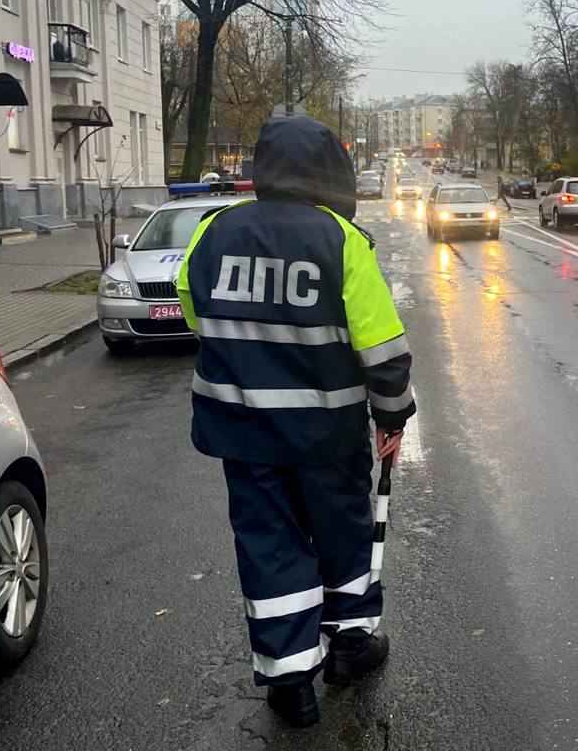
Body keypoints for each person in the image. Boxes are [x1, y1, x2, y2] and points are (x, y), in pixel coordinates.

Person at [177, 117, 416, 728]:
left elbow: (195, 315)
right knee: (343, 531)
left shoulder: (212, 233)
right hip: (327, 433)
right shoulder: (341, 240)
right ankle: (351, 645)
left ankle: (290, 685)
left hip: (244, 432)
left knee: (269, 543)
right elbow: (383, 350)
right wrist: (392, 416)